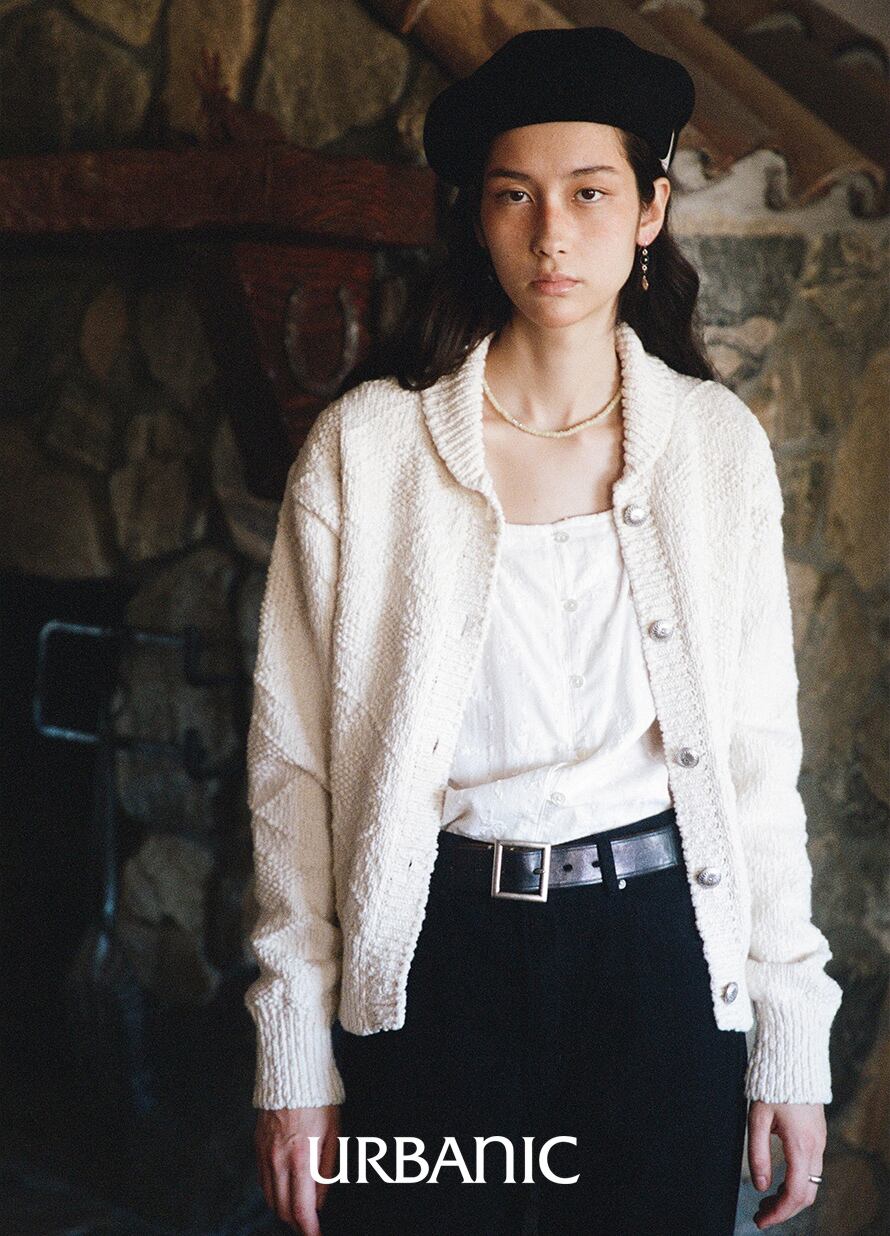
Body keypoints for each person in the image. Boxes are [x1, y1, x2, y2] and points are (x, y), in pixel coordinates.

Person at [245, 25, 843, 1236]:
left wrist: (789, 1036)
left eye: (589, 192)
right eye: (514, 195)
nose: (550, 233)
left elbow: (754, 761)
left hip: (660, 963)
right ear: (477, 217)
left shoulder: (714, 450)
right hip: (433, 963)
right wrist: (292, 1056)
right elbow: (289, 772)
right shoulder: (367, 450)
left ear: (648, 210)